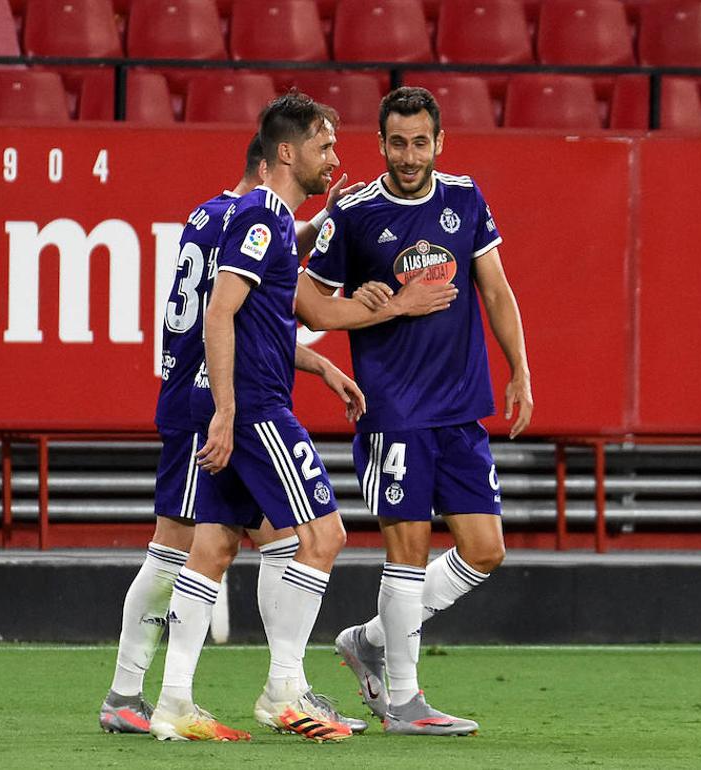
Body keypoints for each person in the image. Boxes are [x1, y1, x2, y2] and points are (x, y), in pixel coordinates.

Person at [99, 134, 373, 737]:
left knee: (250, 540)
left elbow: (263, 289)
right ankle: (134, 692)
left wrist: (317, 363)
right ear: (277, 158)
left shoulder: (216, 214)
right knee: (178, 546)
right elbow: (232, 311)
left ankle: (275, 687)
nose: (331, 159)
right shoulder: (251, 218)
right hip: (212, 398)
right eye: (321, 147)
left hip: (206, 393)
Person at [302, 86, 534, 736]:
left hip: (461, 406)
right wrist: (387, 307)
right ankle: (404, 702)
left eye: (420, 142)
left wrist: (519, 368)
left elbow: (496, 289)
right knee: (407, 549)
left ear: (440, 142)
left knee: (485, 550)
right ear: (380, 143)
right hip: (394, 407)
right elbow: (309, 305)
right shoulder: (353, 213)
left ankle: (371, 639)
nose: (409, 156)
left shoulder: (466, 198)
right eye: (398, 143)